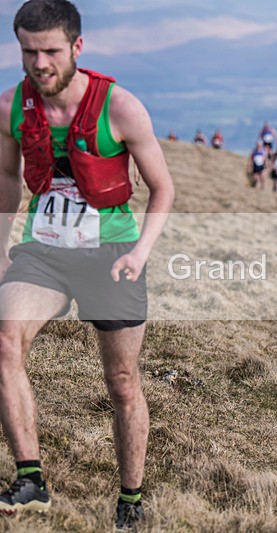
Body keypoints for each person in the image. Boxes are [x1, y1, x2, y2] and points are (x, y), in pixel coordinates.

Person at [0, 0, 174, 529]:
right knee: (4, 343)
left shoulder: (121, 108)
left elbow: (163, 189)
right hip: (43, 251)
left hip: (112, 254)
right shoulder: (11, 105)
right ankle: (30, 479)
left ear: (77, 46)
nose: (40, 63)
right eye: (29, 51)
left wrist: (140, 253)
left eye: (51, 50)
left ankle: (130, 499)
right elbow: (7, 182)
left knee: (121, 381)